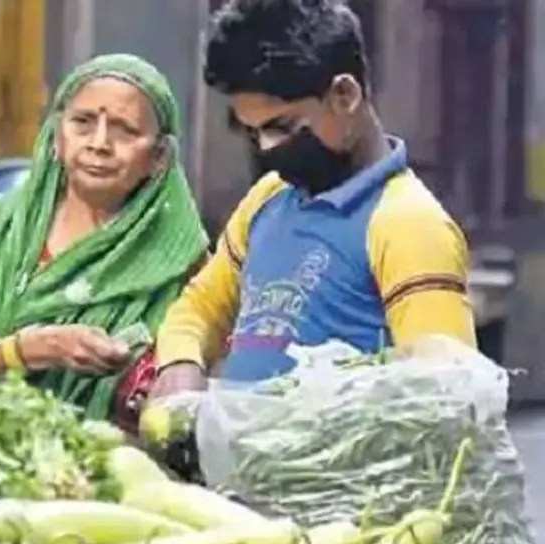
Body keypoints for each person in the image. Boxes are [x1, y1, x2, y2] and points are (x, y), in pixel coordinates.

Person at [150, 0, 476, 397]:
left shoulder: (409, 225)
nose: (267, 148)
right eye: (252, 132)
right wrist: (180, 367)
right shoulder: (268, 199)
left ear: (344, 95)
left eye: (281, 127)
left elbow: (446, 396)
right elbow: (199, 307)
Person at [0, 54, 209, 426]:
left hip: (107, 466)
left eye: (125, 130)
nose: (99, 143)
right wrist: (28, 349)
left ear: (159, 158)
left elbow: (191, 382)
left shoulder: (182, 262)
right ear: (57, 136)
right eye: (83, 122)